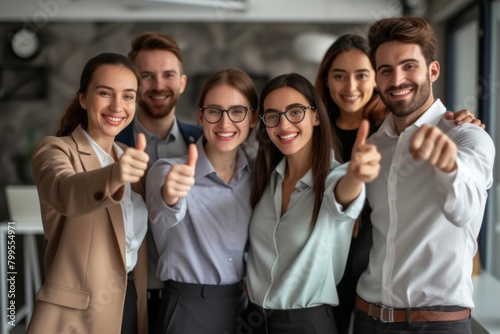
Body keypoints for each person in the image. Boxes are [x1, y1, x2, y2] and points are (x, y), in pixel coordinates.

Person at [314, 33, 486, 334]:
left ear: (432, 71)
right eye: (339, 75)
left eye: (362, 74)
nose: (350, 86)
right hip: (334, 282)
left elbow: (464, 210)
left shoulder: (449, 132)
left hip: (413, 303)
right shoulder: (318, 135)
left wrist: (449, 162)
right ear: (326, 80)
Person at [241, 72, 380, 334]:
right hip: (253, 319)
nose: (283, 125)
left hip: (306, 324)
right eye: (273, 116)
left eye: (295, 112)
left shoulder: (335, 176)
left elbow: (342, 196)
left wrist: (356, 175)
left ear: (316, 116)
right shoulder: (267, 179)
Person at [27, 53, 150, 334]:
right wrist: (114, 175)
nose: (117, 106)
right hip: (79, 315)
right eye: (105, 93)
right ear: (84, 98)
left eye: (128, 96)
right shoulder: (57, 149)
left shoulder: (135, 158)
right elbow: (64, 191)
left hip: (130, 300)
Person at [145, 68, 258, 333]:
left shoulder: (257, 175)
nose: (225, 123)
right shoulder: (167, 170)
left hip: (242, 306)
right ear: (201, 117)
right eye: (214, 111)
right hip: (186, 307)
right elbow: (162, 214)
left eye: (237, 112)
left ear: (252, 119)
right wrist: (171, 194)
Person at [115, 31, 203, 331]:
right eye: (147, 76)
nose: (158, 85)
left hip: (192, 296)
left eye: (168, 75)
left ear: (182, 82)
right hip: (125, 293)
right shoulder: (108, 145)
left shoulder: (208, 143)